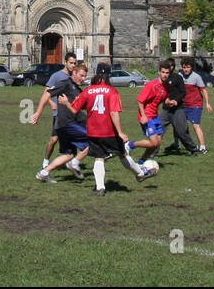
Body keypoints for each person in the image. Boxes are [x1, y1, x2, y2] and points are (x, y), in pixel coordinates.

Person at [54, 62, 150, 195]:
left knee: (99, 158)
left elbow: (75, 110)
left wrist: (66, 103)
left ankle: (100, 188)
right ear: (108, 75)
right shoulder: (112, 91)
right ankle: (140, 173)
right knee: (122, 154)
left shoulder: (88, 91)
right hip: (109, 131)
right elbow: (113, 112)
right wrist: (120, 132)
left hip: (93, 132)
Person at [36, 62, 92, 181]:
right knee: (93, 140)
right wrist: (38, 112)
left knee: (69, 154)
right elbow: (48, 93)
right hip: (67, 124)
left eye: (85, 76)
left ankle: (44, 173)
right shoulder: (65, 84)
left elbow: (84, 107)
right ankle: (75, 163)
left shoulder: (77, 89)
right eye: (81, 76)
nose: (83, 79)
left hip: (67, 125)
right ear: (74, 73)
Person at [30, 53, 81, 173]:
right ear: (66, 62)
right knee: (53, 140)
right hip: (59, 114)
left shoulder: (75, 77)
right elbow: (46, 92)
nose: (73, 65)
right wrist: (51, 103)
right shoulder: (57, 76)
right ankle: (46, 163)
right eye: (71, 63)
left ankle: (73, 162)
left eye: (75, 63)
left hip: (71, 115)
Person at [126, 61, 172, 161]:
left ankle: (141, 162)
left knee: (157, 143)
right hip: (147, 116)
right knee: (153, 142)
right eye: (163, 72)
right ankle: (130, 145)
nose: (165, 75)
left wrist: (170, 102)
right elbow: (140, 100)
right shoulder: (152, 85)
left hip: (155, 116)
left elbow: (164, 98)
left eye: (167, 73)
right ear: (159, 72)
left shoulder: (167, 86)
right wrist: (143, 116)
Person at [159, 64, 197, 154]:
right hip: (166, 109)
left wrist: (176, 100)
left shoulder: (177, 78)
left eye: (171, 66)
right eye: (164, 71)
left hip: (178, 109)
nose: (166, 73)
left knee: (181, 132)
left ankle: (193, 149)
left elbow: (183, 92)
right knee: (158, 131)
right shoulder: (161, 80)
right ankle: (152, 153)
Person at [181, 59, 213, 154]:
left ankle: (202, 147)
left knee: (196, 126)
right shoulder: (180, 76)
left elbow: (204, 90)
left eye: (188, 67)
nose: (186, 69)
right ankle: (176, 144)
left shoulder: (196, 77)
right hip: (183, 105)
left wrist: (207, 103)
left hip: (195, 105)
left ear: (191, 68)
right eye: (184, 67)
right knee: (179, 125)